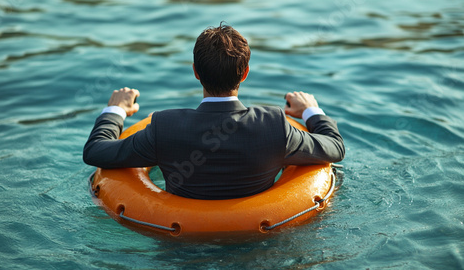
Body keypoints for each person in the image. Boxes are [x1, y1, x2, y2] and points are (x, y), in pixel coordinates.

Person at [83, 24, 345, 200]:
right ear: (245, 73)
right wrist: (312, 110)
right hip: (259, 245)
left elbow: (95, 152)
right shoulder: (274, 125)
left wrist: (116, 109)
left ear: (195, 72)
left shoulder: (165, 127)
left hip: (181, 249)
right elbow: (335, 147)